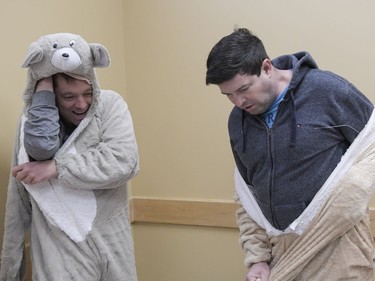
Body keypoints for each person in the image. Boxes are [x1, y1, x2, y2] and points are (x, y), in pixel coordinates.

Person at [206, 27, 375, 280]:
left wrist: (352, 193)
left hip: (340, 249)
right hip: (283, 255)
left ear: (266, 67)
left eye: (243, 89)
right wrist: (258, 259)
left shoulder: (328, 91)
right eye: (228, 95)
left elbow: (371, 145)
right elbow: (247, 196)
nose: (238, 101)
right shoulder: (237, 122)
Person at [1, 33, 139, 281]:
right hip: (58, 257)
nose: (82, 104)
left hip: (112, 248)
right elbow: (18, 201)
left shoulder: (110, 106)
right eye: (68, 96)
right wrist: (10, 271)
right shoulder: (29, 126)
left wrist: (56, 168)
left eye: (87, 93)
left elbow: (123, 161)